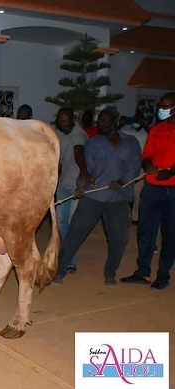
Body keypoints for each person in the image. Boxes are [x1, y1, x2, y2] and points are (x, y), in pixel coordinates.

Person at [53, 109, 141, 286]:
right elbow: (86, 171)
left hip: (119, 197)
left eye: (106, 121)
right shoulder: (94, 144)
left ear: (116, 122)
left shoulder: (131, 143)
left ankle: (110, 272)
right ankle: (60, 270)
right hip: (94, 196)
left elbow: (134, 166)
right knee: (75, 233)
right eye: (100, 122)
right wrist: (81, 187)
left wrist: (123, 181)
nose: (102, 124)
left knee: (119, 238)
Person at [120, 92, 175, 290]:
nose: (161, 109)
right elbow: (147, 154)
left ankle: (163, 274)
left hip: (172, 189)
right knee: (145, 231)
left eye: (165, 106)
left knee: (169, 234)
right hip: (152, 186)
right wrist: (149, 164)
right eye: (160, 106)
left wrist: (170, 172)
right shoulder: (156, 130)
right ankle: (143, 271)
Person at [53, 107, 90, 275]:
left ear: (72, 121)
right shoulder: (57, 133)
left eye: (65, 121)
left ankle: (70, 261)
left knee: (72, 224)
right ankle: (66, 255)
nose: (62, 124)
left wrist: (83, 174)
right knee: (61, 224)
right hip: (62, 184)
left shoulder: (79, 134)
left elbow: (78, 152)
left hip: (77, 185)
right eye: (60, 121)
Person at [120, 112, 148, 223]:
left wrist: (144, 124)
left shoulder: (146, 134)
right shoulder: (128, 133)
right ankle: (126, 215)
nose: (137, 122)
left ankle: (135, 216)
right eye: (135, 120)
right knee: (126, 189)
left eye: (139, 120)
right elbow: (117, 132)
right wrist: (124, 122)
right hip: (128, 165)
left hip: (141, 165)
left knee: (137, 192)